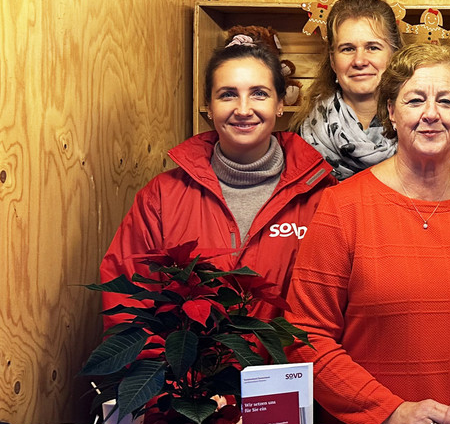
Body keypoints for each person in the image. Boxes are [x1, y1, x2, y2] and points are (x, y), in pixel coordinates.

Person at [285, 44, 450, 424]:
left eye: (445, 101)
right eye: (415, 99)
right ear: (391, 111)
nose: (430, 114)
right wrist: (387, 412)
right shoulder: (341, 207)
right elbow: (306, 335)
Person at [100, 33, 335, 325]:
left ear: (279, 104)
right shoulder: (162, 197)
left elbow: (338, 310)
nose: (243, 109)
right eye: (228, 94)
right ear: (209, 107)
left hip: (290, 368)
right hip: (187, 371)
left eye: (259, 93)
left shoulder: (322, 196)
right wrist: (168, 369)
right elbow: (128, 301)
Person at [291, 0, 403, 179]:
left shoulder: (423, 129)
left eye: (372, 47)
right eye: (348, 49)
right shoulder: (300, 138)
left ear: (394, 56)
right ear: (333, 61)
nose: (359, 61)